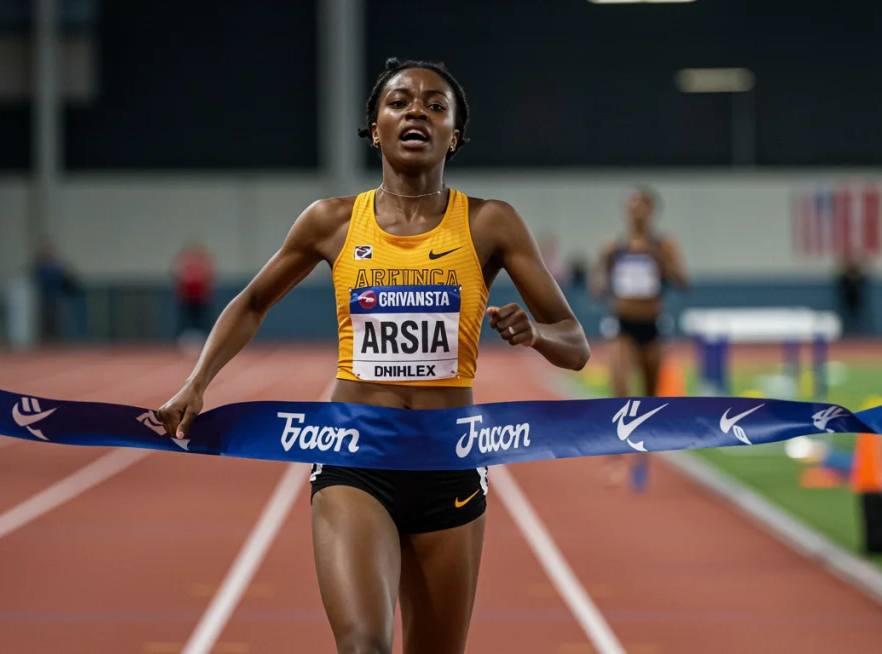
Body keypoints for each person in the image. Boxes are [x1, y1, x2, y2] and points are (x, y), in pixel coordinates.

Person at [155, 58, 589, 654]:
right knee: (364, 646)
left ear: (454, 135)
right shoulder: (331, 221)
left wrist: (537, 335)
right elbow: (253, 302)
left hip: (448, 458)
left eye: (436, 105)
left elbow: (576, 344)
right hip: (354, 453)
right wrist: (197, 381)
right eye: (400, 102)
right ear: (375, 128)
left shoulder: (491, 223)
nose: (417, 111)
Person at [591, 187, 688, 489]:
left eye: (641, 206)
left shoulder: (663, 244)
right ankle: (615, 456)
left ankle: (641, 460)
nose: (635, 212)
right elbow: (597, 287)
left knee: (649, 396)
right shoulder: (613, 246)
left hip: (652, 324)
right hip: (623, 324)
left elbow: (683, 282)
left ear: (651, 210)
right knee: (619, 387)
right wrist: (606, 274)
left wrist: (659, 260)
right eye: (631, 206)